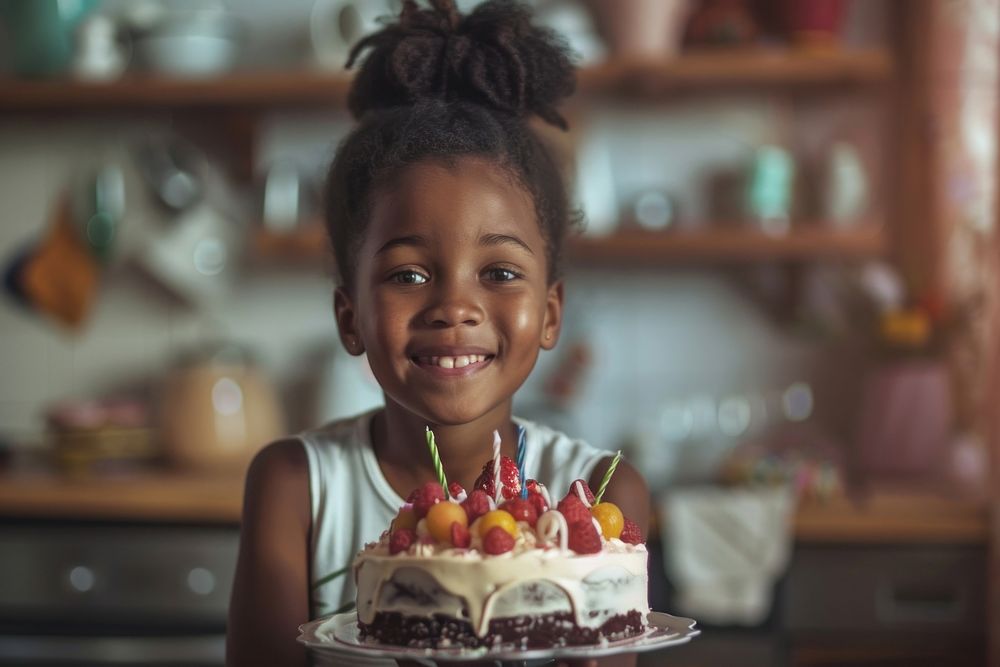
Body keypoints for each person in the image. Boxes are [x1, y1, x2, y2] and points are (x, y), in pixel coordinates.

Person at [226, 1, 650, 666]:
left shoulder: (598, 498)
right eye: (408, 275)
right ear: (350, 317)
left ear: (549, 314)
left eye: (501, 270)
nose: (455, 305)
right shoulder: (296, 488)